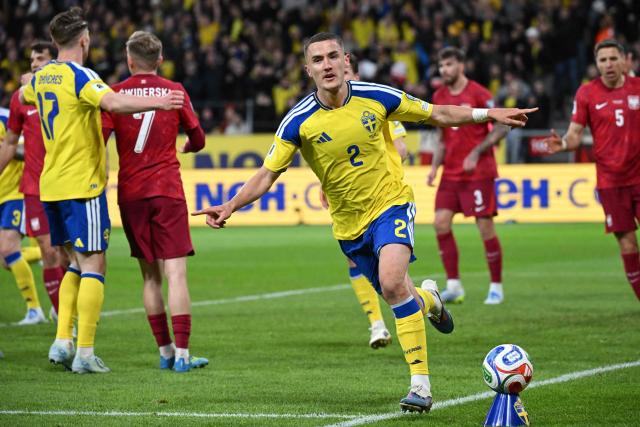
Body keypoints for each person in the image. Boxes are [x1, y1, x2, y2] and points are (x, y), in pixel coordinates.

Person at [194, 32, 536, 412]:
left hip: (391, 204)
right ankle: (432, 300)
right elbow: (266, 173)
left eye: (333, 56)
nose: (326, 65)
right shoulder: (298, 121)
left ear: (346, 60)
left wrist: (487, 114)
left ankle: (420, 387)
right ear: (307, 69)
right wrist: (232, 204)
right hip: (348, 226)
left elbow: (436, 113)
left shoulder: (378, 96)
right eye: (318, 60)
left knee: (391, 283)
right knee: (400, 295)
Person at [20, 7, 185, 373]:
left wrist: (29, 79)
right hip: (83, 183)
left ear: (54, 42)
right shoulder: (83, 76)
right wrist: (158, 102)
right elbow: (111, 102)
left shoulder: (41, 78)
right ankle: (85, 352)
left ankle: (62, 341)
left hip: (51, 185)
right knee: (94, 262)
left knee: (73, 264)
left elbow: (22, 95)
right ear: (84, 40)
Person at [101, 31, 208, 373]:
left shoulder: (114, 94)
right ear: (160, 59)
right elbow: (198, 138)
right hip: (166, 190)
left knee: (150, 278)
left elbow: (98, 138)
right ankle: (183, 356)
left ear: (129, 60)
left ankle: (164, 351)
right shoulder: (174, 91)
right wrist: (188, 147)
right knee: (176, 273)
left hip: (130, 193)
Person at [319, 53, 407, 349]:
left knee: (392, 276)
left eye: (349, 74)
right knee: (355, 259)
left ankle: (420, 308)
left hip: (385, 196)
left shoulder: (375, 101)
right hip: (349, 200)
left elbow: (403, 148)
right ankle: (377, 324)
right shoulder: (328, 111)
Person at [544, 39, 640, 301]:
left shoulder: (638, 88)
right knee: (628, 244)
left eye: (612, 58)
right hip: (611, 182)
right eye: (602, 60)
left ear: (624, 60)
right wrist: (562, 144)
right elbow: (575, 135)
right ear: (596, 65)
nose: (608, 65)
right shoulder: (587, 93)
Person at [427, 47, 510, 305]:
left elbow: (503, 123)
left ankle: (496, 286)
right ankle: (454, 285)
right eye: (441, 66)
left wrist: (476, 151)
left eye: (449, 64)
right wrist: (434, 167)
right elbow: (442, 139)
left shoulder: (479, 93)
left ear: (461, 65)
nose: (444, 70)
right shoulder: (439, 95)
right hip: (451, 173)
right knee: (440, 223)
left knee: (484, 226)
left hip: (478, 172)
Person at [0, 41, 67, 322]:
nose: (34, 64)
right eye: (31, 60)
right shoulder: (19, 100)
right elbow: (11, 144)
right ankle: (62, 321)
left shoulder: (64, 93)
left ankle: (60, 303)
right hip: (33, 188)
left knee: (67, 253)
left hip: (64, 182)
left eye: (40, 58)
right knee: (47, 250)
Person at [0, 107, 45, 325]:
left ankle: (35, 310)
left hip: (13, 194)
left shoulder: (7, 117)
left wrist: (7, 150)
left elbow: (31, 151)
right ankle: (45, 253)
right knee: (6, 259)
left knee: (7, 249)